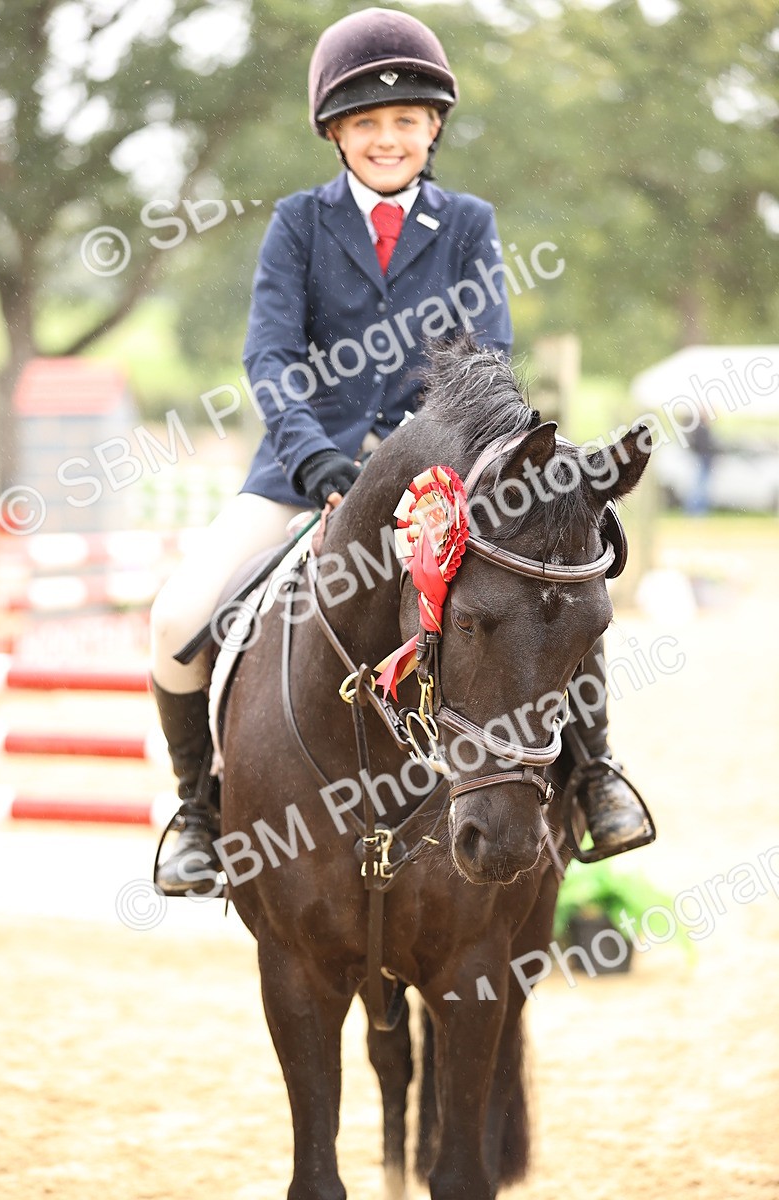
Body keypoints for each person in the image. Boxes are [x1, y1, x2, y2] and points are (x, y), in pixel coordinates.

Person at [150, 7, 647, 896]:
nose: (387, 138)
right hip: (306, 476)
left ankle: (596, 773)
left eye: (405, 122)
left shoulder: (466, 225)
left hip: (445, 482)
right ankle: (197, 810)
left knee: (553, 597)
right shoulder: (300, 225)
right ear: (337, 134)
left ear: (434, 129)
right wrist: (318, 461)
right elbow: (270, 356)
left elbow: (483, 361)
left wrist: (425, 463)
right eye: (367, 124)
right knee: (175, 620)